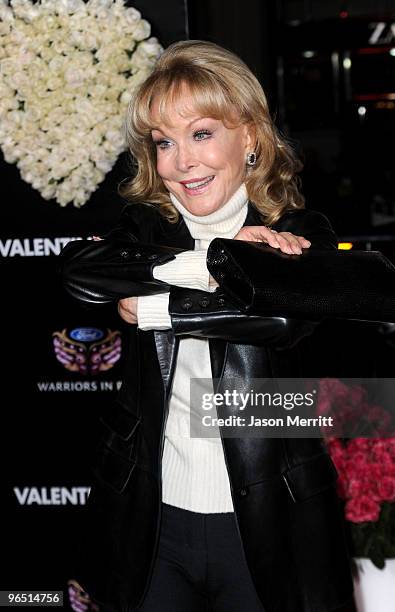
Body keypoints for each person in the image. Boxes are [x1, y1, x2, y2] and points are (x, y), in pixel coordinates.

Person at [60, 40, 354, 612]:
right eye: (164, 143)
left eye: (201, 134)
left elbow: (279, 318)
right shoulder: (147, 226)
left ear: (249, 137)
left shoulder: (296, 229)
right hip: (153, 525)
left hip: (270, 524)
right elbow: (80, 272)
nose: (181, 161)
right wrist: (212, 260)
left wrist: (151, 308)